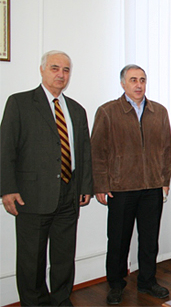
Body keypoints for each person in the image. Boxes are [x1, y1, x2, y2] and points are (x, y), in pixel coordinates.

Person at [0, 50, 93, 306]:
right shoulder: (19, 103)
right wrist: (7, 189)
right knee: (32, 259)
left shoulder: (76, 109)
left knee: (64, 257)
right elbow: (5, 148)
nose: (61, 74)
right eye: (55, 68)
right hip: (32, 195)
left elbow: (83, 150)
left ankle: (62, 300)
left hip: (68, 193)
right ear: (42, 70)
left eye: (66, 70)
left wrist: (85, 185)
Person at [91, 65, 171, 304]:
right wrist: (100, 184)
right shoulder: (107, 111)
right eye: (133, 80)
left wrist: (164, 181)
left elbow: (166, 149)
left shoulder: (159, 111)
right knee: (118, 241)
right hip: (121, 188)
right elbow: (97, 151)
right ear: (123, 84)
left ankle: (148, 281)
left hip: (152, 188)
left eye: (143, 80)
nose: (139, 85)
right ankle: (116, 284)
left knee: (149, 240)